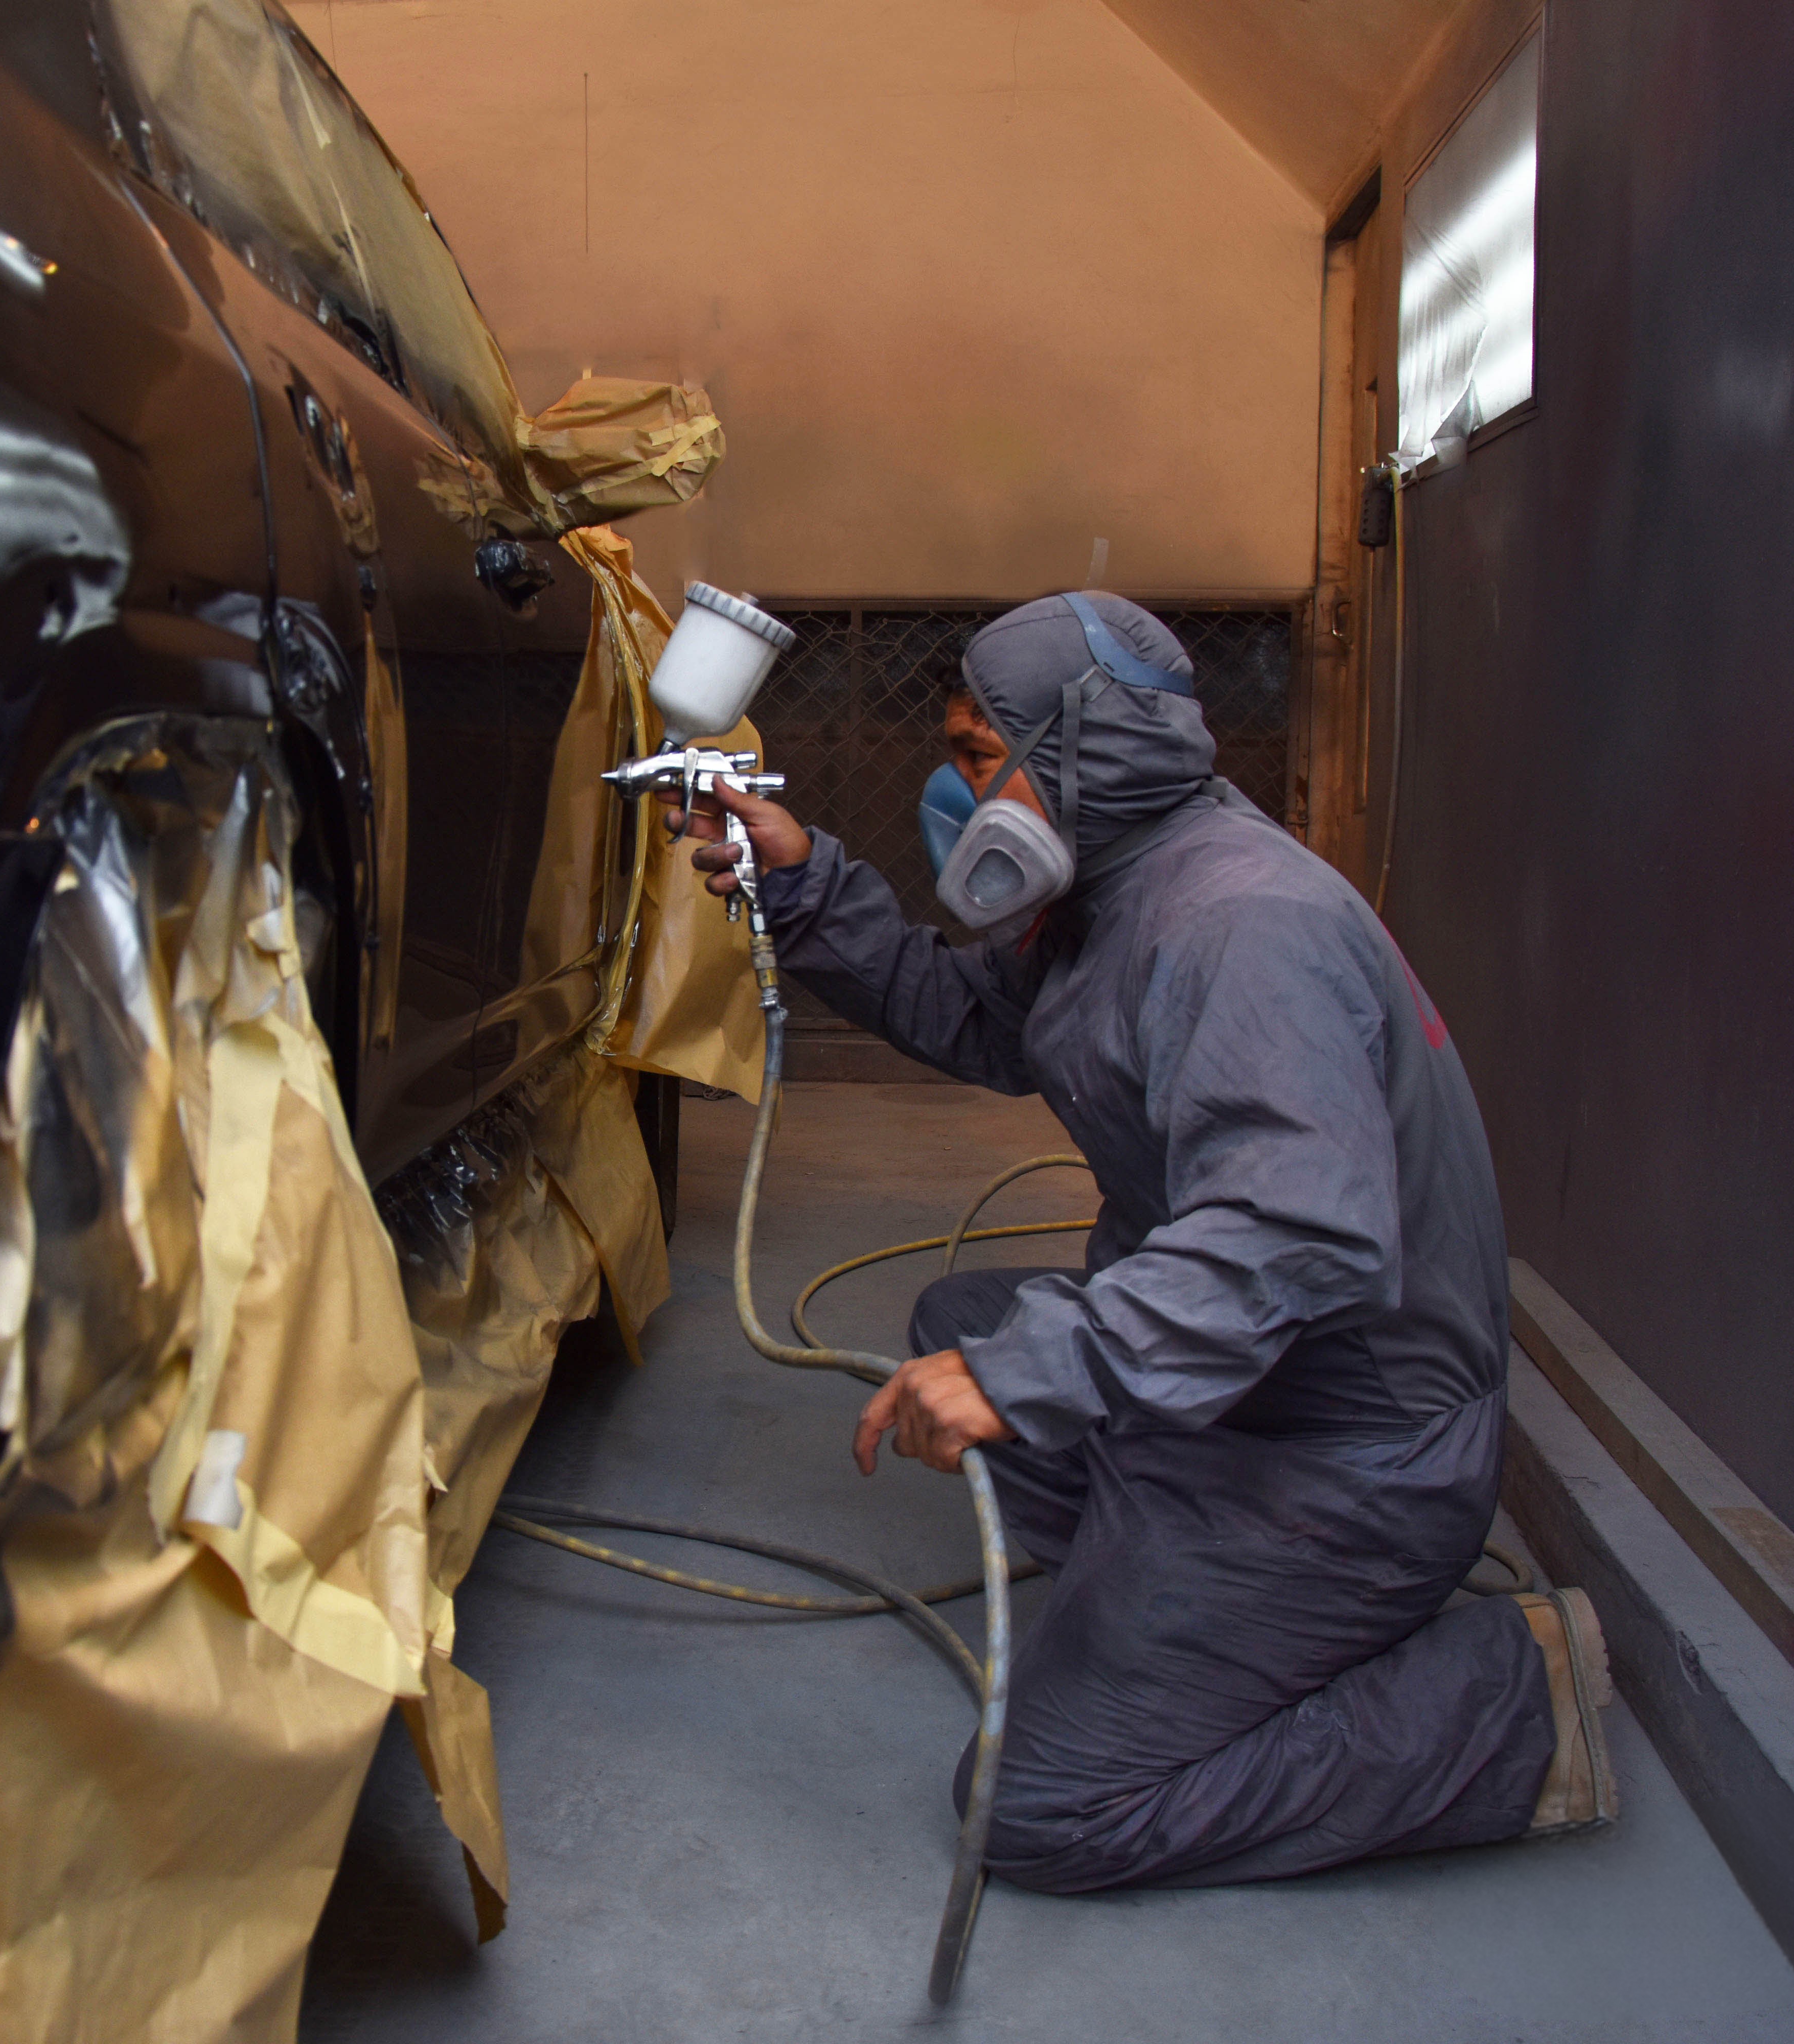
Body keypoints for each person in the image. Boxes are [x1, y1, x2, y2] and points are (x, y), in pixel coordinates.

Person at [679, 591, 1615, 1892]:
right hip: (1248, 1380)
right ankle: (1169, 1580)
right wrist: (806, 885)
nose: (948, 790)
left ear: (1080, 751)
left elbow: (1292, 1230)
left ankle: (1510, 1695)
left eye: (969, 755)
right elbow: (978, 1018)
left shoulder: (1241, 923)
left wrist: (1035, 1375)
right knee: (962, 1325)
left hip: (1344, 1449)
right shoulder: (1117, 885)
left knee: (1039, 1805)